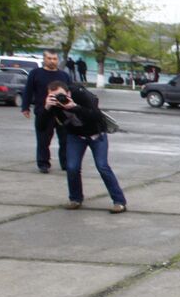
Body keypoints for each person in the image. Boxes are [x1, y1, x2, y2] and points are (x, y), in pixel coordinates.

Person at [47, 82, 127, 213]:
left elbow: (95, 115)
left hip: (96, 135)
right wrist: (46, 107)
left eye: (61, 95)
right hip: (76, 136)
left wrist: (74, 107)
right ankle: (75, 199)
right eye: (54, 96)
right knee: (72, 167)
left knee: (102, 166)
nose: (59, 99)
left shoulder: (80, 95)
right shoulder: (54, 104)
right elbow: (41, 126)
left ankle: (119, 201)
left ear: (68, 93)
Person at [19, 50, 73, 173]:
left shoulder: (64, 76)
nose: (52, 61)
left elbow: (71, 92)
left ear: (57, 60)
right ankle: (43, 164)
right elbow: (28, 91)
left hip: (62, 112)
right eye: (49, 58)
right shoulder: (35, 73)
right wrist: (25, 107)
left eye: (54, 59)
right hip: (43, 111)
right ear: (44, 59)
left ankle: (65, 163)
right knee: (43, 140)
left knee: (65, 140)